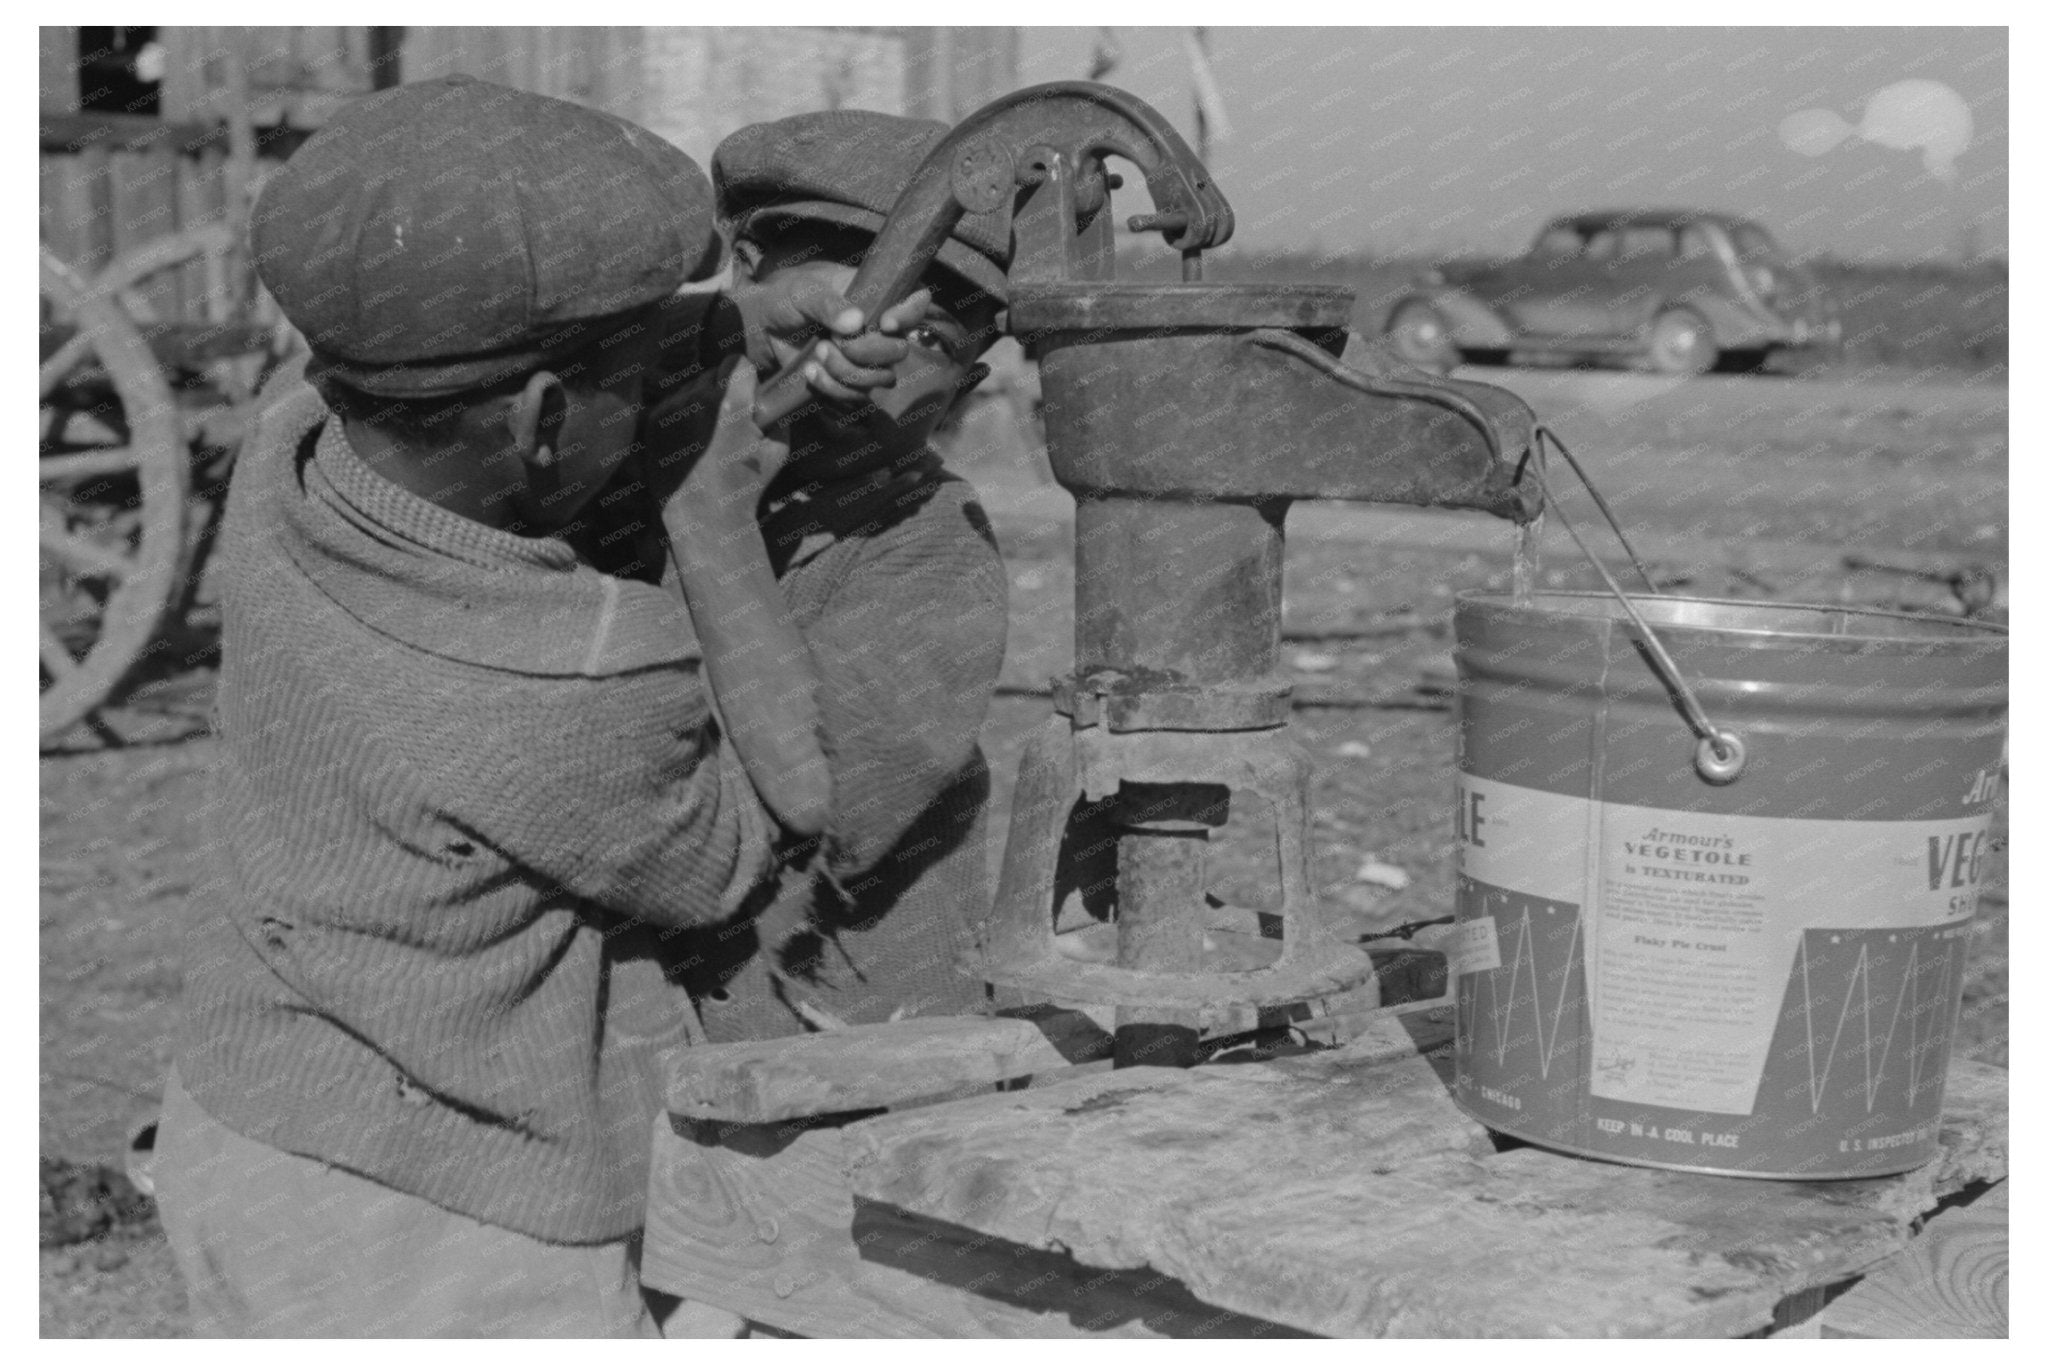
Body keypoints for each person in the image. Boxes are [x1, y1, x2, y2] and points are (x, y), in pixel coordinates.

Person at [151, 75, 926, 1338]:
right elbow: (759, 833)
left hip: (248, 1118)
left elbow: (557, 372)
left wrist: (757, 323)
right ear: (545, 416)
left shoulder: (289, 454)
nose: (666, 365)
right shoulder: (566, 681)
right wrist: (710, 514)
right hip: (444, 1228)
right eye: (635, 362)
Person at [661, 110, 1014, 1044]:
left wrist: (712, 517)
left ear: (962, 393)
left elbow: (748, 844)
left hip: (832, 1054)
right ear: (745, 275)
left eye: (929, 340)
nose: (861, 364)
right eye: (832, 305)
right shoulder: (617, 440)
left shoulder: (934, 552)